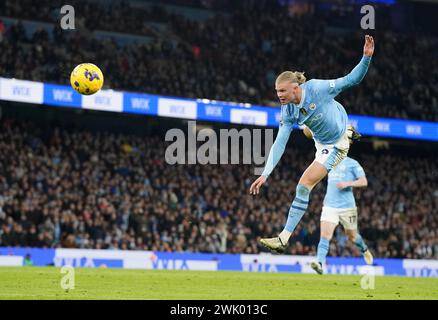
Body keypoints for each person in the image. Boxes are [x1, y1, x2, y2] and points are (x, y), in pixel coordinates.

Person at [249, 35, 375, 254]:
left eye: (282, 91)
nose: (279, 95)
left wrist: (366, 58)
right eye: (277, 92)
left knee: (303, 184)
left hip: (336, 143)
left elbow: (351, 80)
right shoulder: (287, 109)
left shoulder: (318, 88)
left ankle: (283, 238)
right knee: (306, 129)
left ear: (296, 88)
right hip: (320, 136)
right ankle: (347, 131)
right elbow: (280, 141)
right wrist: (265, 173)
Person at [302, 126, 372, 274]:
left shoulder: (352, 163)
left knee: (352, 236)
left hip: (347, 207)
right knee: (325, 236)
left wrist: (348, 183)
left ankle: (364, 249)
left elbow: (364, 181)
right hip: (330, 205)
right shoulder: (329, 159)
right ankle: (319, 263)